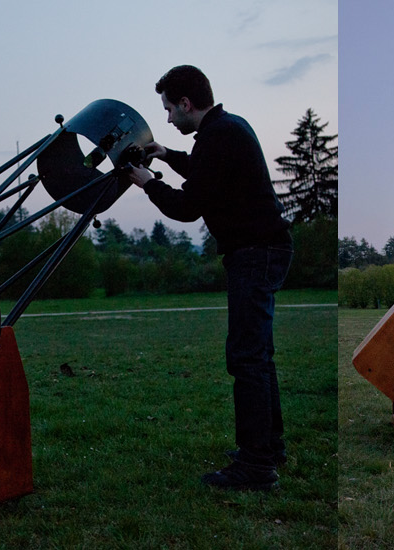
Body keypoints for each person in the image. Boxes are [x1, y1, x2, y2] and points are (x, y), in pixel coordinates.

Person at [124, 65, 293, 491]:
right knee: (259, 355)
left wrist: (147, 182)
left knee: (246, 357)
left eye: (167, 109)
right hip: (265, 248)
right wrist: (164, 154)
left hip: (254, 252)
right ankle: (268, 447)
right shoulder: (225, 129)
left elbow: (187, 207)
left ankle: (257, 466)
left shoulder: (217, 136)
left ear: (185, 104)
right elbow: (205, 173)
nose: (166, 118)